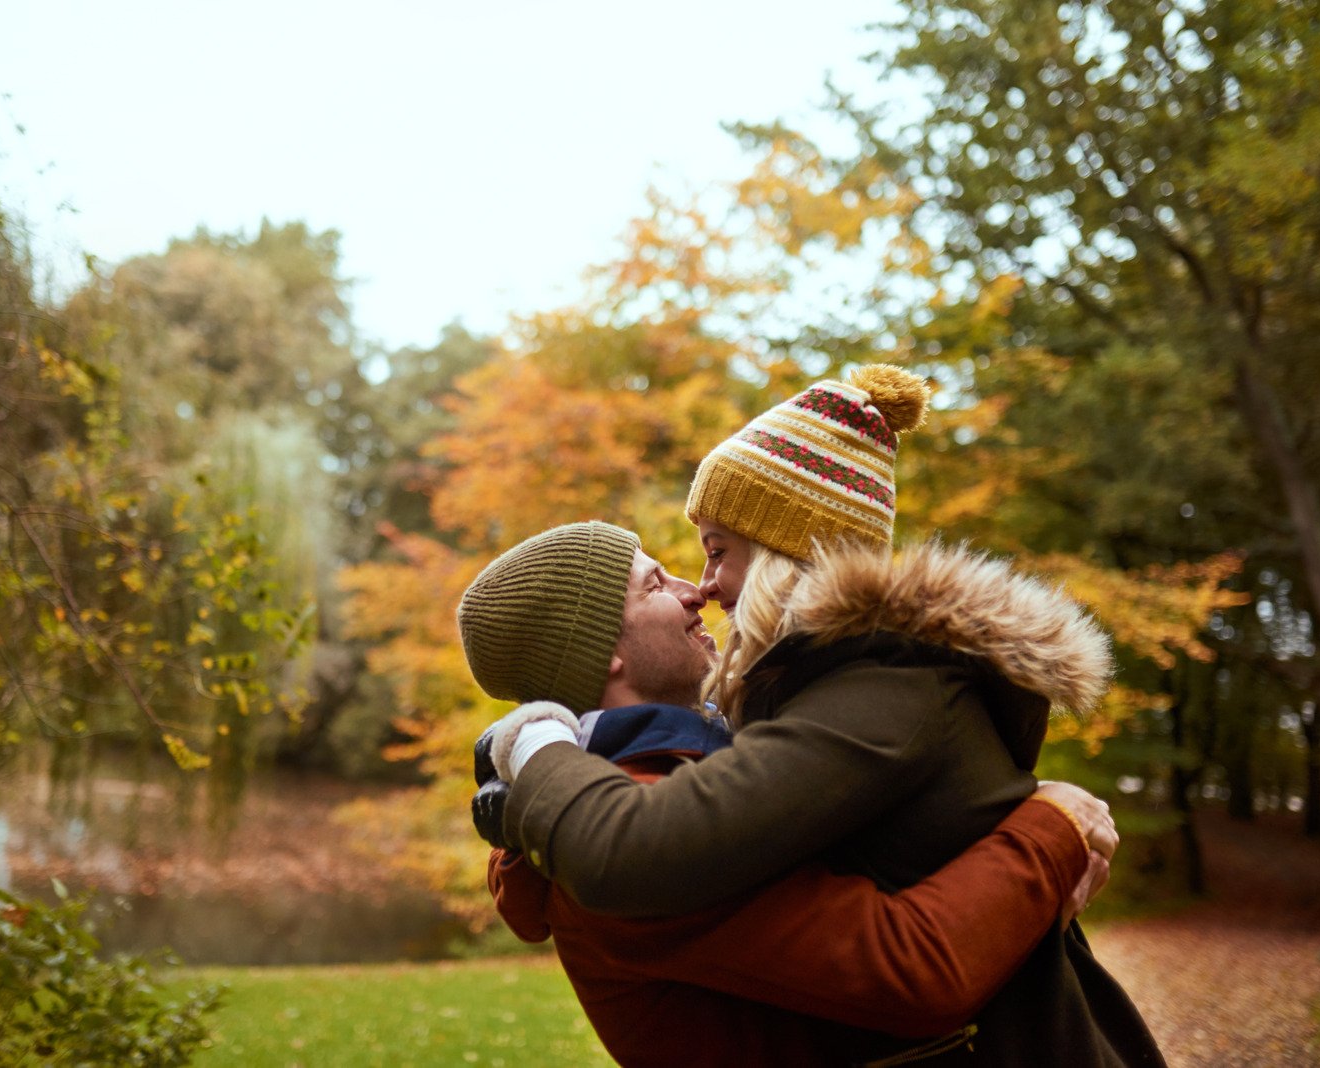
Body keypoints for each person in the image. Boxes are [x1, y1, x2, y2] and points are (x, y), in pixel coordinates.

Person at [483, 369, 1164, 1065]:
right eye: (658, 582)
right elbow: (915, 966)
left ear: (786, 550)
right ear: (604, 651)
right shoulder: (654, 796)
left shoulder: (877, 691)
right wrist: (1056, 828)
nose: (701, 587)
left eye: (716, 550)